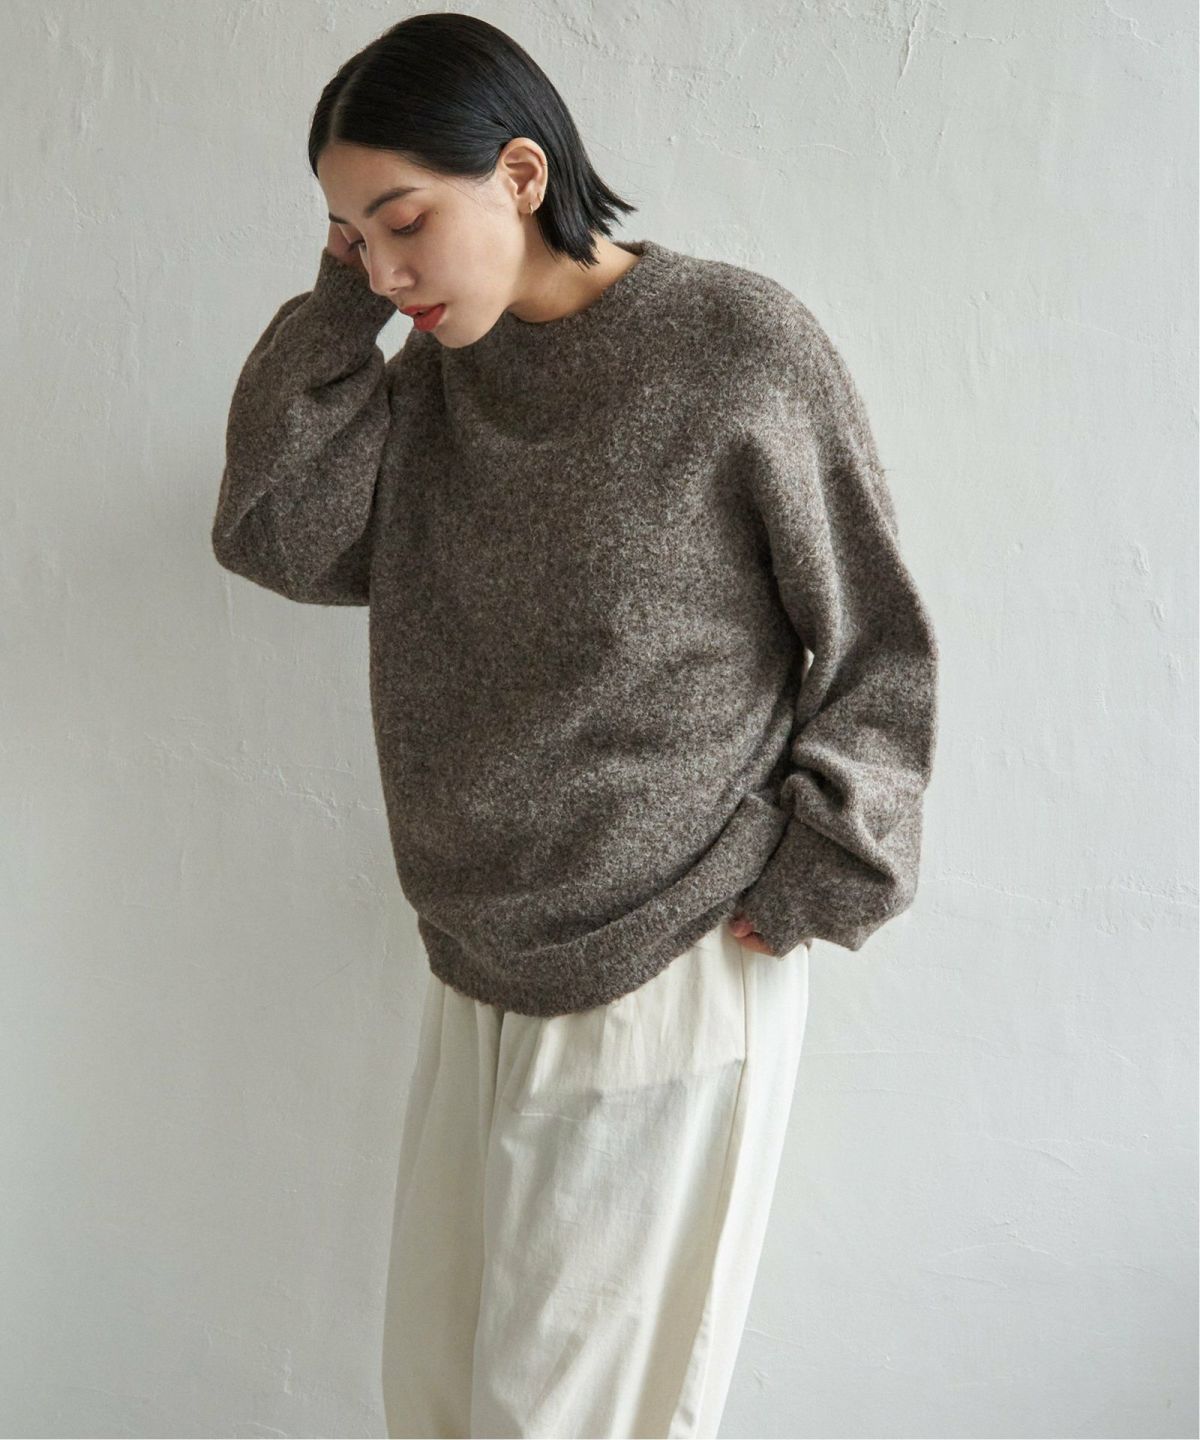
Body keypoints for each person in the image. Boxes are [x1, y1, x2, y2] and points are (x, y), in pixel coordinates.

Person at [210, 12, 939, 1437]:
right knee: (437, 1403)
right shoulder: (435, 382)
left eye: (405, 221)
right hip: (473, 953)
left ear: (523, 175)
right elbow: (278, 533)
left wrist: (822, 868)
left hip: (668, 950)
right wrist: (341, 306)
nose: (387, 268)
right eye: (351, 238)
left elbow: (875, 637)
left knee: (567, 1421)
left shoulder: (734, 345)